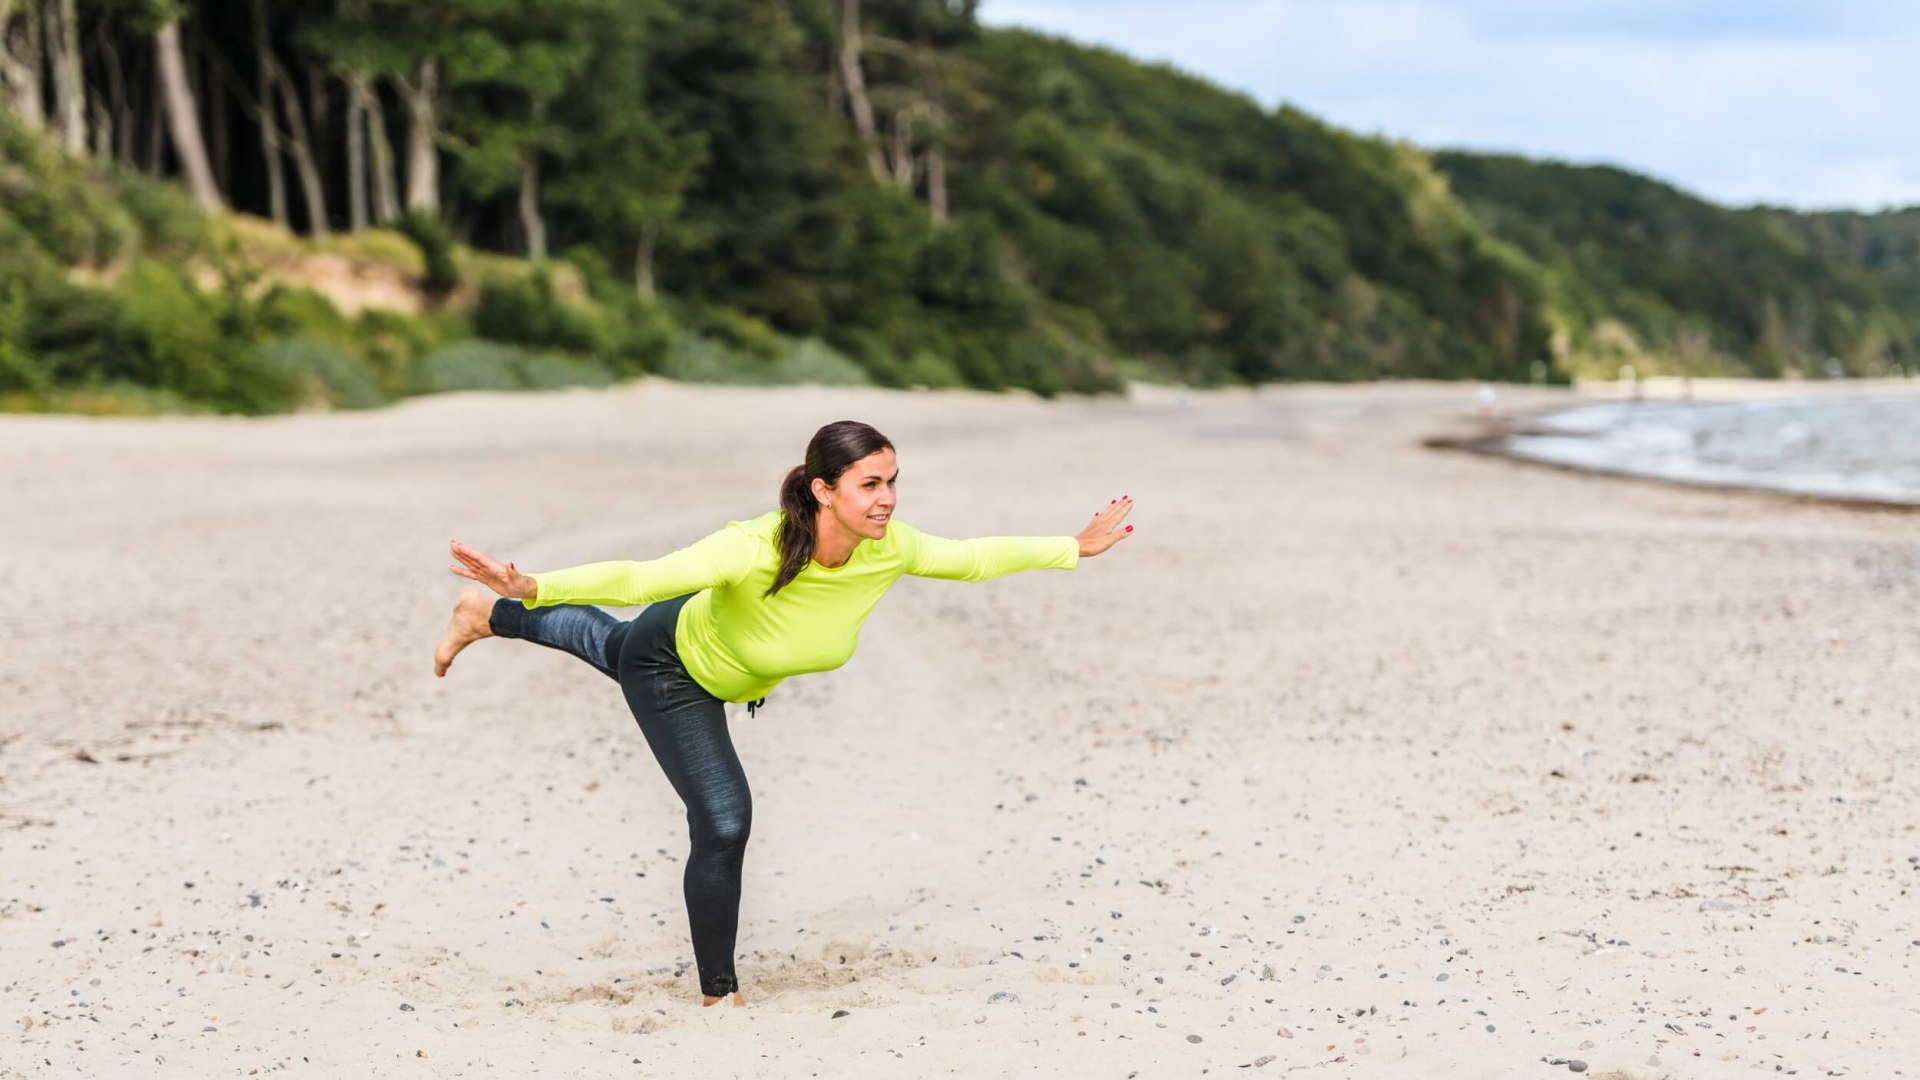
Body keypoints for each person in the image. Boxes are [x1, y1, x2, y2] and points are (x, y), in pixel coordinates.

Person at [431, 420, 1134, 1007]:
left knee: (604, 643)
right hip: (672, 666)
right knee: (723, 817)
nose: (887, 499)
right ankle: (719, 994)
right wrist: (534, 583)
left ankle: (484, 616)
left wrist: (1074, 546)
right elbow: (643, 578)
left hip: (712, 657)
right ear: (823, 490)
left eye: (892, 481)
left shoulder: (889, 549)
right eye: (870, 484)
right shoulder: (754, 544)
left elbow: (976, 557)